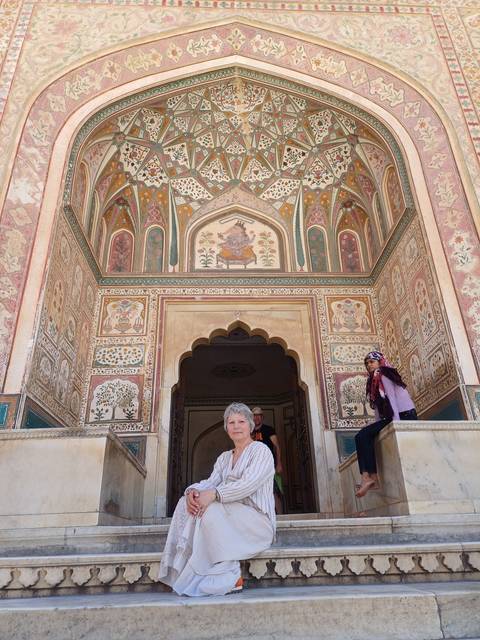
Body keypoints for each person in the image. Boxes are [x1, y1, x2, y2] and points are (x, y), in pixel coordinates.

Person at [158, 402, 275, 596]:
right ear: (226, 427)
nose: (236, 426)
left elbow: (247, 484)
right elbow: (210, 482)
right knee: (184, 503)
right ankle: (185, 568)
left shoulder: (260, 451)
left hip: (257, 523)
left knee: (211, 508)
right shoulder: (224, 458)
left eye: (241, 421)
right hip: (230, 517)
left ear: (250, 425)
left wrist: (214, 494)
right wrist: (192, 492)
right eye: (231, 422)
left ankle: (229, 575)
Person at [354, 351, 417, 498]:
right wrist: (377, 427)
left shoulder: (384, 373)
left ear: (379, 362)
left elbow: (392, 398)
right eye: (367, 363)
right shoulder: (373, 380)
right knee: (361, 436)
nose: (369, 365)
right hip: (391, 416)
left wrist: (396, 426)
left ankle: (370, 478)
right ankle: (369, 477)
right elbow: (378, 407)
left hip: (404, 415)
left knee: (363, 435)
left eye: (372, 362)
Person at [251, 407, 284, 514]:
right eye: (254, 416)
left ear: (262, 417)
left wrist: (279, 464)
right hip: (253, 467)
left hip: (268, 466)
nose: (256, 418)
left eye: (258, 416)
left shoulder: (268, 430)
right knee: (254, 492)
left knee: (273, 491)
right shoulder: (249, 431)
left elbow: (277, 446)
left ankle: (281, 516)